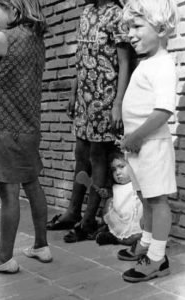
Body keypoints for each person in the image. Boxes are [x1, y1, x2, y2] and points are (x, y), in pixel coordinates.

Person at [46, 0, 131, 243]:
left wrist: (117, 104)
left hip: (105, 97)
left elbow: (125, 62)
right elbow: (81, 59)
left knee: (97, 155)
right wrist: (73, 92)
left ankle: (89, 218)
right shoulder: (86, 13)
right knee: (80, 152)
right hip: (84, 96)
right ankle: (73, 211)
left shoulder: (117, 15)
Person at [0, 0, 52, 274]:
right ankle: (41, 245)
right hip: (28, 126)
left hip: (3, 126)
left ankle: (3, 258)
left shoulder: (0, 38)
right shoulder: (36, 38)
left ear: (12, 5)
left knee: (8, 193)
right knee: (32, 183)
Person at [117, 0, 179, 282]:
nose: (130, 33)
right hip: (139, 148)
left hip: (151, 146)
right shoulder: (148, 63)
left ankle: (157, 257)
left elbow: (164, 110)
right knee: (145, 198)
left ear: (161, 27)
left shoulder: (164, 64)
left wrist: (137, 136)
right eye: (128, 27)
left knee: (157, 201)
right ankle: (145, 241)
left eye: (137, 26)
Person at [95, 151, 143, 246]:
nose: (117, 172)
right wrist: (106, 194)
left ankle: (114, 238)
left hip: (134, 223)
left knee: (135, 237)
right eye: (114, 169)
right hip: (119, 222)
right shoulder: (115, 187)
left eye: (121, 167)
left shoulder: (137, 185)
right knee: (109, 201)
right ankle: (108, 230)